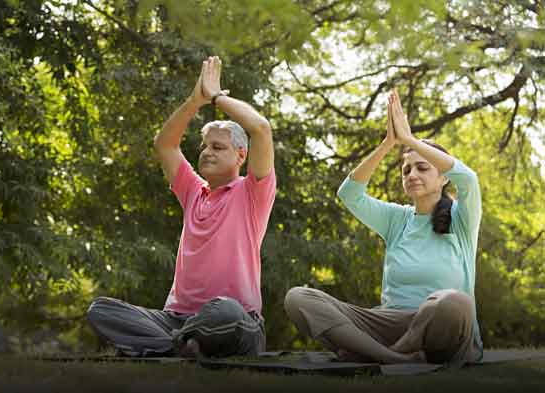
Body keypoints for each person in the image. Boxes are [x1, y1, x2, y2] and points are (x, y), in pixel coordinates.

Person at [87, 56, 276, 358]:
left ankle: (171, 345)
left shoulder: (252, 192)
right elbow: (164, 144)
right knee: (101, 310)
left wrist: (216, 96)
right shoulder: (193, 191)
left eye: (218, 147)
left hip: (236, 321)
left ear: (241, 156)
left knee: (225, 311)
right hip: (176, 319)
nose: (207, 152)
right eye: (204, 146)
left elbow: (261, 129)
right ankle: (182, 345)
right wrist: (194, 100)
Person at [285, 89, 483, 366]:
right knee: (298, 298)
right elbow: (349, 194)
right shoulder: (396, 218)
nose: (412, 174)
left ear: (443, 179)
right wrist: (389, 143)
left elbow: (469, 179)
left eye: (422, 168)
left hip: (441, 326)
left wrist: (410, 139)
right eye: (406, 170)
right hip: (387, 323)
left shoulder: (461, 218)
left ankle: (388, 352)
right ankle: (390, 356)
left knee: (454, 302)